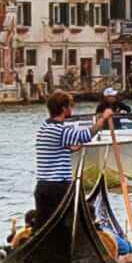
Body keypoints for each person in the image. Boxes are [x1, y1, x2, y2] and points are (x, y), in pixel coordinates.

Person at [26, 93, 90, 229]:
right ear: (63, 109)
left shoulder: (44, 128)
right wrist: (103, 120)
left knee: (42, 226)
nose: (71, 110)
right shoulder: (60, 129)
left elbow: (53, 148)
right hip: (58, 187)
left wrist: (70, 149)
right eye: (70, 106)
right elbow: (86, 136)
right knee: (71, 223)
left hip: (42, 187)